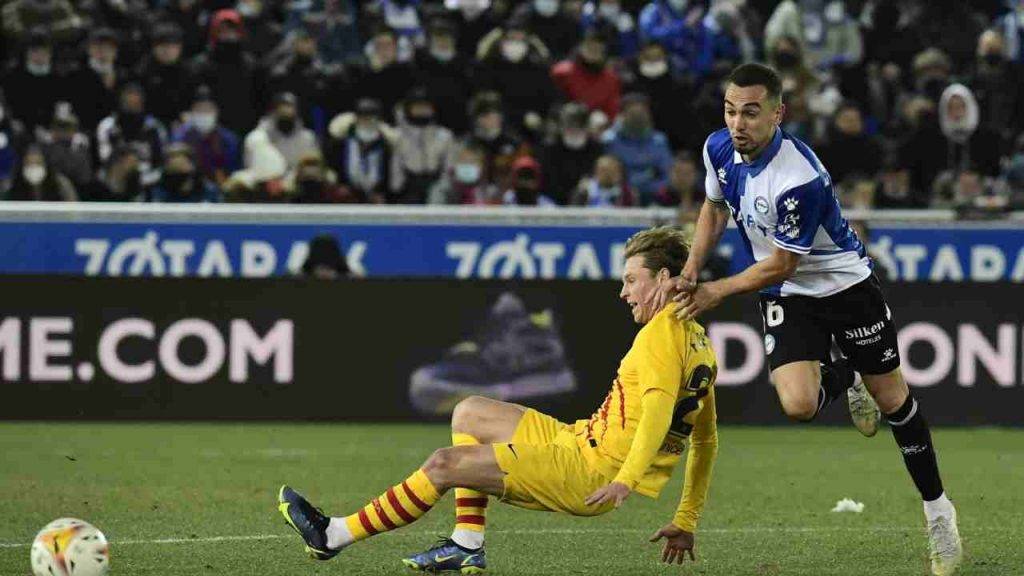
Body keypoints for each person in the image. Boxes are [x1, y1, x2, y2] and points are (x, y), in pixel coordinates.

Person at [657, 63, 962, 576]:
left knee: (895, 402)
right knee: (799, 405)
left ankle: (939, 513)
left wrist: (714, 291)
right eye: (731, 111)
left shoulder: (799, 178)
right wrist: (691, 269)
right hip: (787, 292)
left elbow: (781, 261)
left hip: (844, 285)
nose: (738, 124)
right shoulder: (718, 149)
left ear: (778, 113)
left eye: (751, 113)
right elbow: (713, 209)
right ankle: (850, 375)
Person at [278, 225, 719, 572]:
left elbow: (658, 415)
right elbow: (704, 441)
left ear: (664, 278)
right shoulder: (699, 343)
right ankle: (467, 544)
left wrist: (624, 479)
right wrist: (686, 519)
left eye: (631, 280)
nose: (623, 292)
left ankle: (333, 536)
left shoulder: (659, 336)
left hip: (589, 471)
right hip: (578, 440)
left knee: (444, 464)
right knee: (470, 412)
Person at [5, 144, 77, 200]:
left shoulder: (60, 182)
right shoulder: (11, 182)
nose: (34, 168)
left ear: (45, 164)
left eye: (38, 163)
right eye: (29, 163)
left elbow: (73, 208)